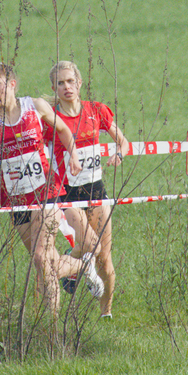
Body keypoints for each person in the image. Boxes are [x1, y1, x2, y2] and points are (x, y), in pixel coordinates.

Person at [0, 62, 103, 315]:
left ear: (12, 84)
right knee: (44, 264)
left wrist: (73, 155)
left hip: (46, 192)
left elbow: (63, 129)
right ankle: (55, 315)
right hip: (14, 198)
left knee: (43, 257)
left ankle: (50, 324)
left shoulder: (35, 107)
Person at [46, 60, 129, 318]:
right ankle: (74, 268)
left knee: (104, 257)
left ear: (79, 83)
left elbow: (124, 142)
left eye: (71, 81)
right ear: (54, 88)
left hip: (96, 190)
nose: (67, 87)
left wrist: (119, 155)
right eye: (60, 83)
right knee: (90, 243)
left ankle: (106, 314)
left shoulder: (95, 111)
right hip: (68, 193)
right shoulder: (50, 118)